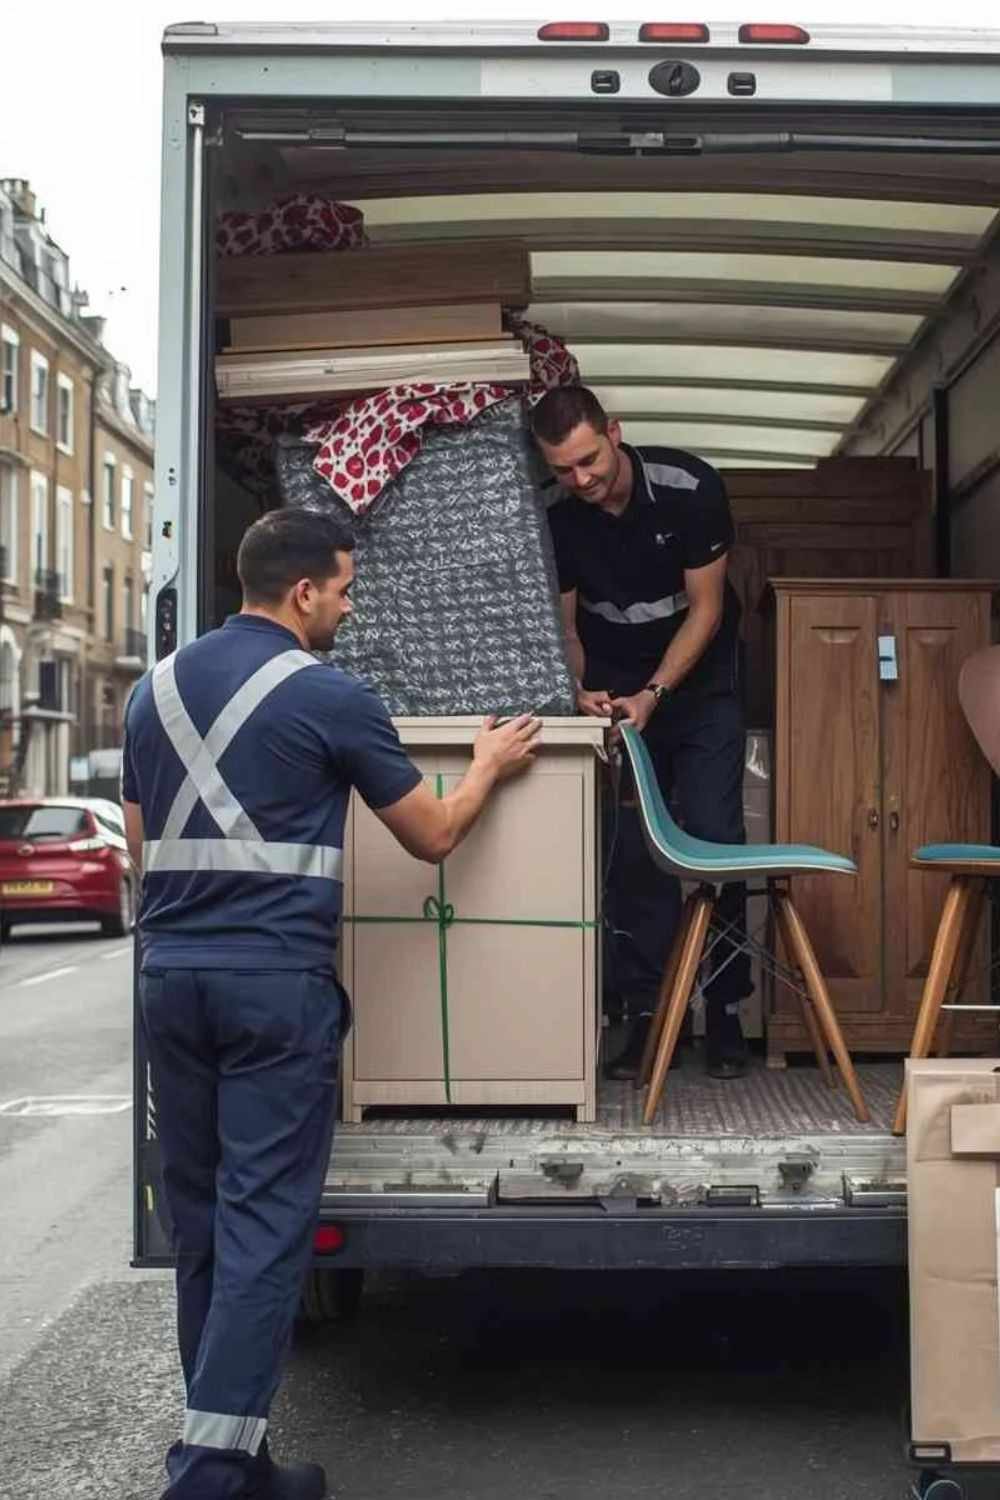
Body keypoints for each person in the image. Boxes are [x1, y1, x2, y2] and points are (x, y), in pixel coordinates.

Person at [122, 506, 541, 1500]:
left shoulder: (150, 695)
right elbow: (431, 835)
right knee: (265, 1225)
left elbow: (144, 846)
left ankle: (239, 1460)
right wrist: (485, 766)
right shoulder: (332, 696)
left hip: (169, 984)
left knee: (203, 1226)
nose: (349, 608)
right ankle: (210, 1476)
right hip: (272, 988)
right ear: (303, 591)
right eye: (345, 590)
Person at [533, 385, 751, 1081]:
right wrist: (578, 691)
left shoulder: (690, 488)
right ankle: (645, 1014)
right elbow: (567, 628)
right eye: (564, 469)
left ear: (616, 433)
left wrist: (656, 694)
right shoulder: (558, 515)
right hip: (616, 691)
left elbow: (707, 609)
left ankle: (722, 1012)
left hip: (697, 683)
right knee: (629, 851)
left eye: (590, 460)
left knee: (716, 840)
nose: (582, 480)